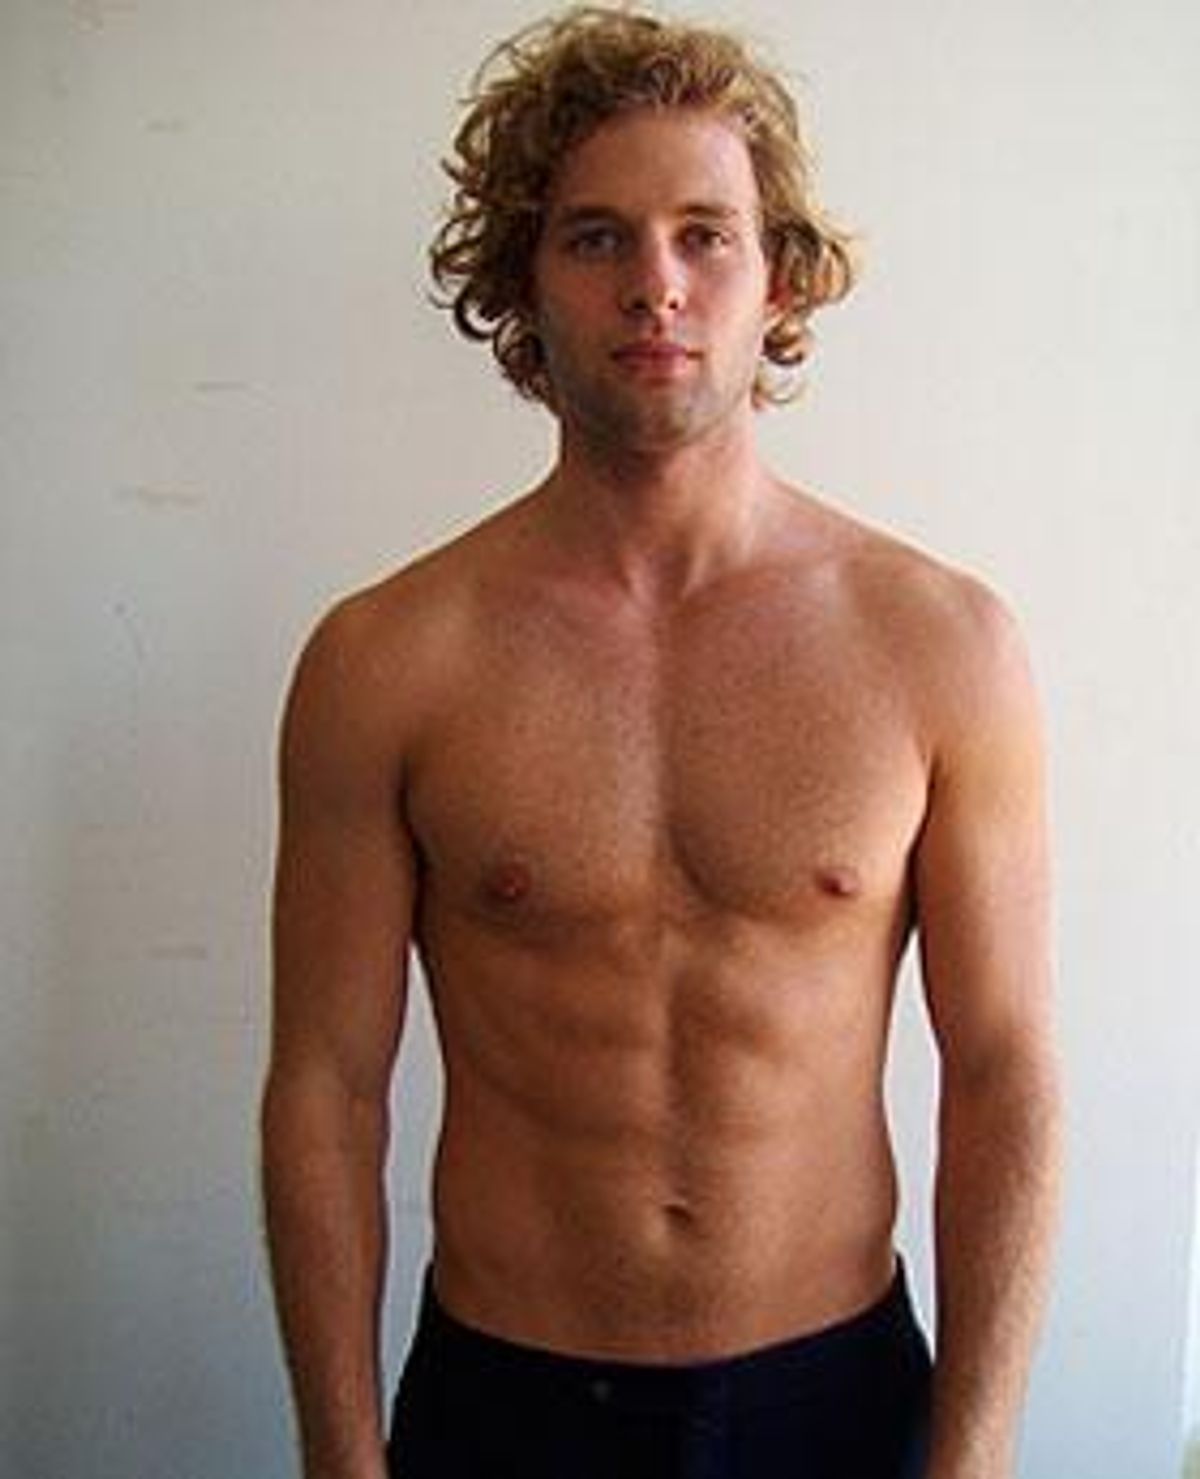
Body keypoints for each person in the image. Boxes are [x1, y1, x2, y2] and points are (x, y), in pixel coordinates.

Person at [260, 7, 1062, 1478]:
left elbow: (1005, 1070)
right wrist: (340, 1456)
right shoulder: (386, 661)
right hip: (504, 1407)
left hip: (838, 1401)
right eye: (596, 238)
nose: (656, 285)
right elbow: (325, 1087)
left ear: (779, 278)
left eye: (706, 235)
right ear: (525, 280)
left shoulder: (941, 645)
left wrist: (976, 1458)